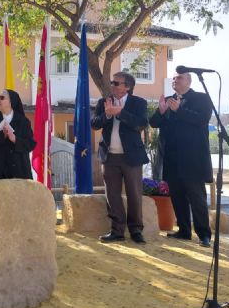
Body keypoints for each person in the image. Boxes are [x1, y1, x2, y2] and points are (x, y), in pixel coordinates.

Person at [149, 72, 213, 247]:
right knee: (177, 196)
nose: (175, 80)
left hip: (193, 159)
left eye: (179, 78)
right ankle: (184, 231)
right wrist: (161, 112)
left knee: (197, 197)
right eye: (174, 78)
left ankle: (203, 234)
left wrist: (180, 110)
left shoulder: (202, 98)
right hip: (171, 158)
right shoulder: (168, 99)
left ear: (189, 81)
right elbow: (154, 123)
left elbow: (202, 120)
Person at [91, 72, 149, 244]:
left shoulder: (139, 103)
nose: (113, 85)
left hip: (131, 157)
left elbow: (141, 124)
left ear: (127, 87)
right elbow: (94, 124)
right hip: (109, 156)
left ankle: (136, 230)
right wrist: (108, 114)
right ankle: (117, 231)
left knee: (134, 194)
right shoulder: (104, 102)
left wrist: (121, 113)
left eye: (117, 83)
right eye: (112, 82)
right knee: (112, 195)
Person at [0, 89, 36, 180]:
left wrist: (15, 139)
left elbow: (30, 144)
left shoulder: (23, 121)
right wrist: (2, 135)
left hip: (19, 171)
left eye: (2, 98)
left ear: (11, 102)